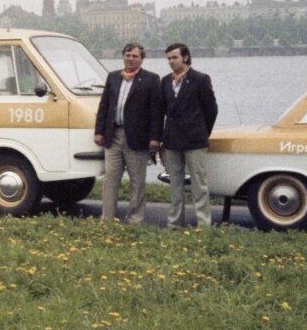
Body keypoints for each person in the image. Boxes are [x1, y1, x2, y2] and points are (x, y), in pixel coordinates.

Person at [93, 42, 163, 224]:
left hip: (137, 138)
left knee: (137, 181)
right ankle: (107, 218)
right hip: (113, 135)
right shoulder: (113, 77)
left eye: (135, 56)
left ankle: (135, 219)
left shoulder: (151, 79)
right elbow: (104, 106)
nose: (131, 59)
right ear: (123, 56)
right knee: (110, 179)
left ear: (141, 59)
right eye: (128, 55)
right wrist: (99, 131)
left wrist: (155, 137)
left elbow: (157, 111)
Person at [160, 42, 218, 229]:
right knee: (175, 184)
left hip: (195, 140)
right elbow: (162, 110)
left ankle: (204, 224)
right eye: (169, 58)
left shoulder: (200, 79)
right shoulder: (165, 81)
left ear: (185, 57)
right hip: (172, 140)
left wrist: (202, 131)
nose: (171, 61)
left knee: (199, 183)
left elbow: (211, 109)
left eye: (175, 57)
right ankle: (175, 222)